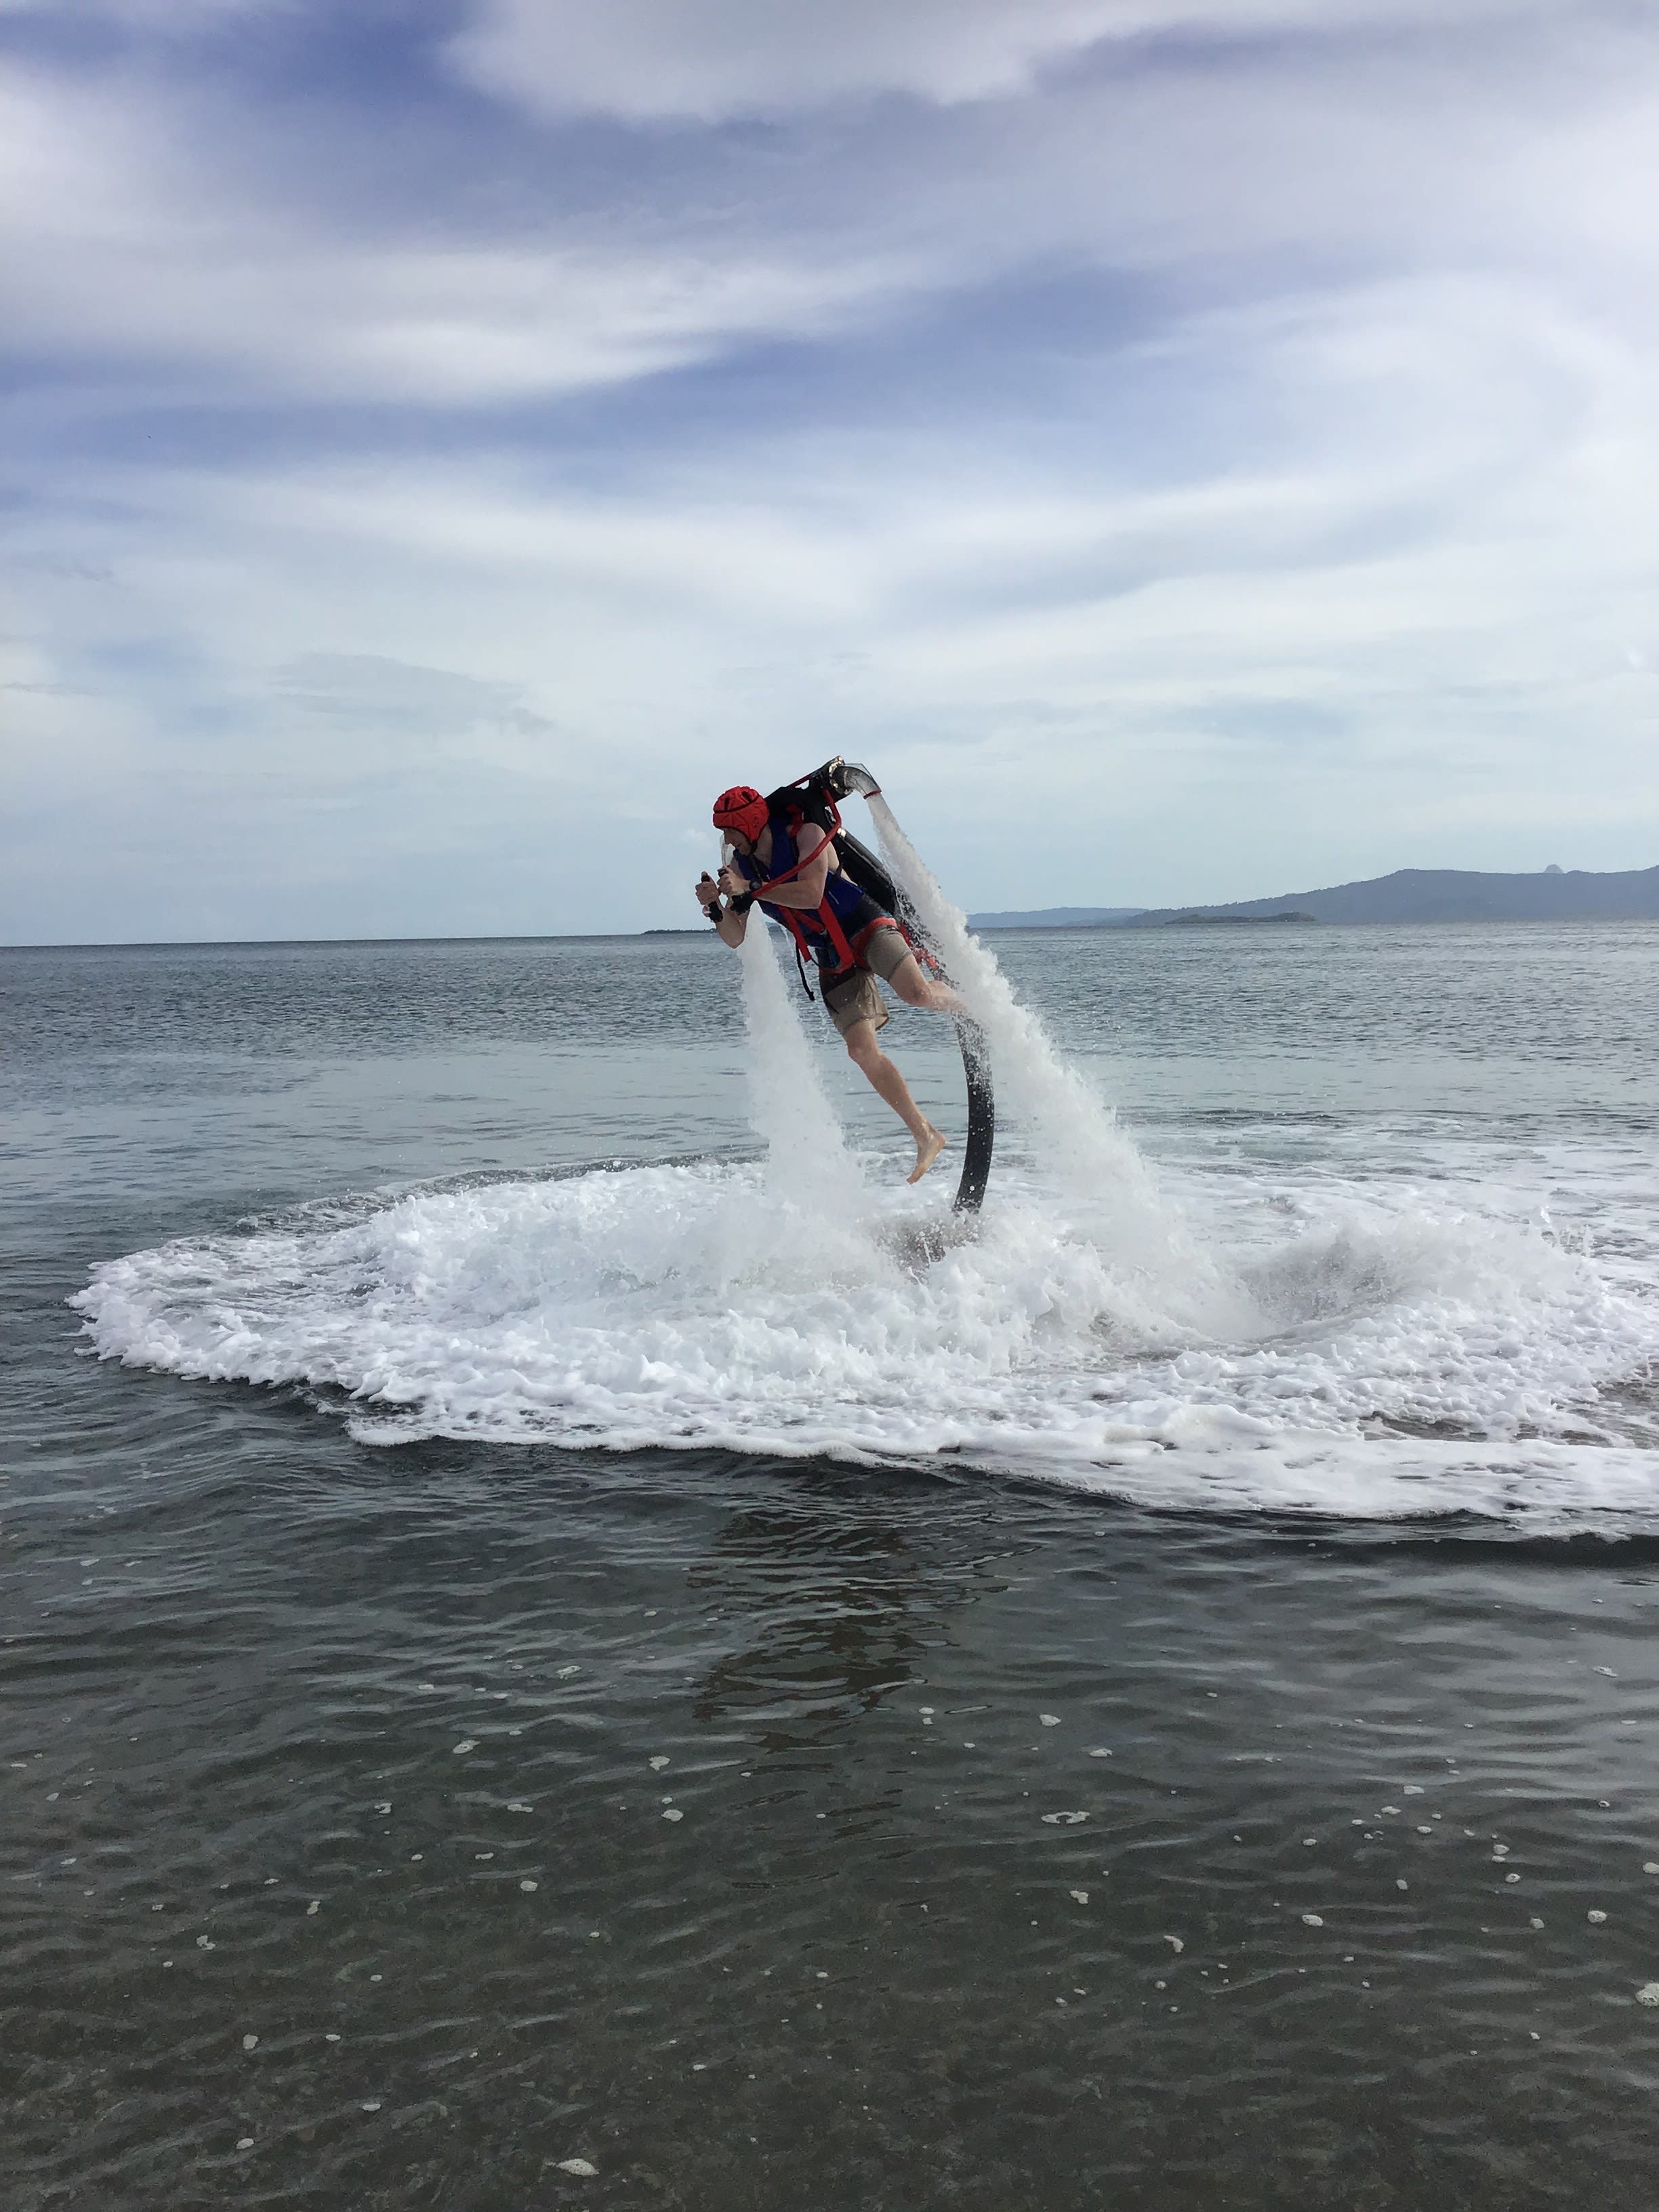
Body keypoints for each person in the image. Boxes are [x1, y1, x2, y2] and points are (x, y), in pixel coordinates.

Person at [697, 783, 959, 1183]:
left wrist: (750, 889)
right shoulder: (743, 869)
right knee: (860, 1051)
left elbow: (811, 893)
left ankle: (980, 1007)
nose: (727, 841)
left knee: (918, 993)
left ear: (749, 825)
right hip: (830, 955)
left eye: (730, 831)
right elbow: (735, 937)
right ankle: (925, 1134)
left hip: (863, 924)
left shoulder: (805, 834)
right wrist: (716, 907)